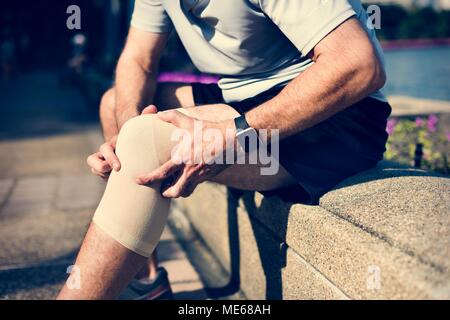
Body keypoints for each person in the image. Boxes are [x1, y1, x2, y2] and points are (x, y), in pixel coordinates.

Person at [58, 0, 391, 300]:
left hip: (334, 116)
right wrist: (127, 130)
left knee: (148, 141)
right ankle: (146, 283)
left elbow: (359, 64)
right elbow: (138, 59)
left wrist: (235, 134)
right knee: (117, 106)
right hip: (244, 100)